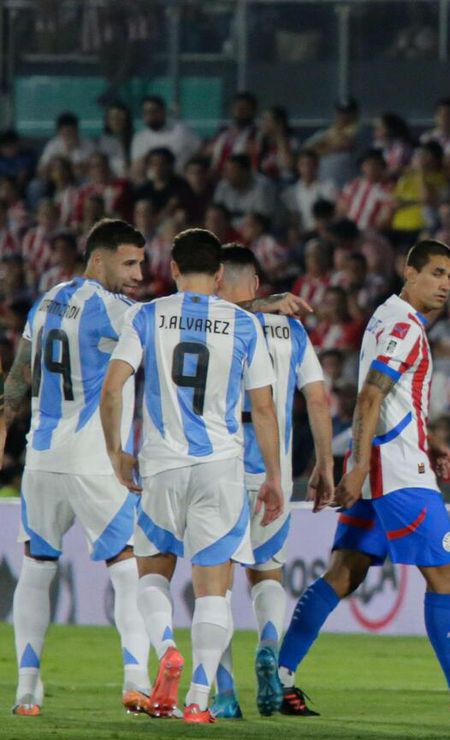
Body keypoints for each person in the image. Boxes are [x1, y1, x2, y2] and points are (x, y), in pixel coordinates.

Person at [271, 240, 450, 721]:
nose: (446, 283)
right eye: (435, 272)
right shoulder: (406, 327)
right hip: (399, 475)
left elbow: (387, 402)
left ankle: (279, 679)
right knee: (446, 575)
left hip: (387, 464)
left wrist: (420, 441)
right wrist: (361, 467)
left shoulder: (385, 319)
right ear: (408, 272)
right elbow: (368, 398)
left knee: (346, 571)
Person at [99, 228, 286, 724]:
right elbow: (264, 409)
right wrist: (273, 476)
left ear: (174, 269)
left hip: (160, 467)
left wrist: (117, 452)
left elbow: (113, 389)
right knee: (214, 589)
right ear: (221, 275)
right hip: (221, 469)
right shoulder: (246, 326)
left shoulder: (147, 315)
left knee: (152, 574)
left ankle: (167, 651)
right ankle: (200, 699)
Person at [5, 220, 151, 716]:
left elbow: (20, 373)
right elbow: (177, 322)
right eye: (129, 263)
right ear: (99, 257)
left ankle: (27, 685)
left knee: (37, 566)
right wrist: (253, 307)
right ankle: (136, 679)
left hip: (41, 460)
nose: (138, 274)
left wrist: (4, 424)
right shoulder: (116, 309)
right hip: (95, 462)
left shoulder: (46, 302)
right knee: (128, 569)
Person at [208, 246, 335, 719]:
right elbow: (318, 400)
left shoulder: (210, 323)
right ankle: (267, 644)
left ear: (215, 280)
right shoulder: (293, 330)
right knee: (268, 572)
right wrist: (324, 464)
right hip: (274, 472)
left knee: (213, 583)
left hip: (219, 466)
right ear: (257, 285)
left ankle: (224, 691)